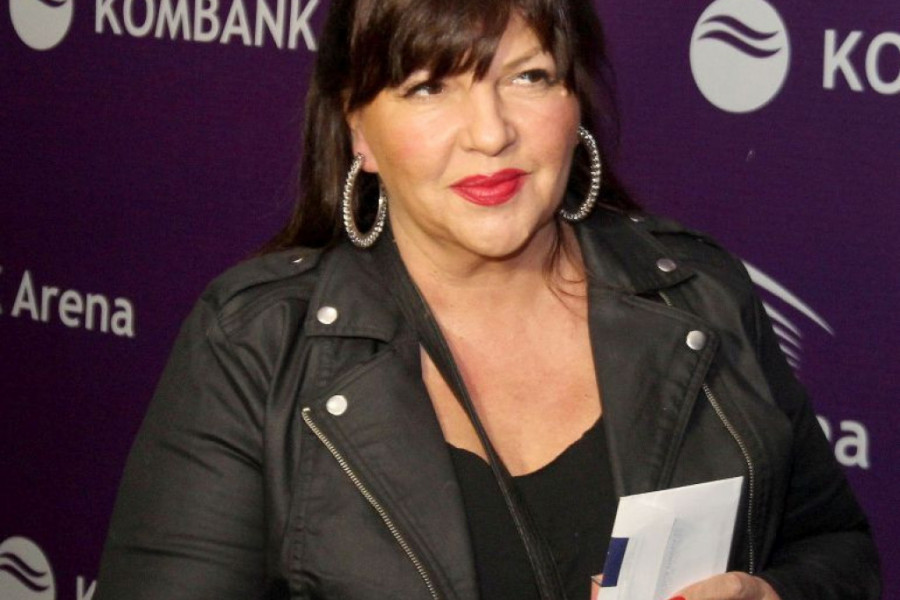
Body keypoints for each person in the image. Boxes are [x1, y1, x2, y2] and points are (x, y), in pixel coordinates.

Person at [95, 0, 881, 599]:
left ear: (575, 102)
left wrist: (771, 594)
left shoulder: (700, 294)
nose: (491, 133)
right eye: (429, 86)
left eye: (528, 76)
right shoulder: (257, 343)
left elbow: (836, 547)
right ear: (358, 129)